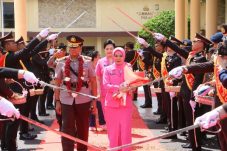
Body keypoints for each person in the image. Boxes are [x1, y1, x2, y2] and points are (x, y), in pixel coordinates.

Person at [154, 32, 212, 151]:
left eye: (195, 41)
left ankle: (196, 144)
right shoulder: (192, 55)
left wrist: (193, 97)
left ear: (202, 44)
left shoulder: (200, 58)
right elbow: (179, 50)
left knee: (193, 120)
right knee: (189, 119)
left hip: (192, 94)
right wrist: (165, 40)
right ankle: (192, 142)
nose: (193, 42)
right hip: (186, 92)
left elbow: (197, 79)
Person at [55, 35, 97, 151]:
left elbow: (93, 82)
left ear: (80, 48)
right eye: (71, 47)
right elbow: (57, 83)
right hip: (66, 99)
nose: (73, 50)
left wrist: (94, 100)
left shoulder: (87, 62)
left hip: (84, 98)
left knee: (83, 127)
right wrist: (57, 101)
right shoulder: (61, 62)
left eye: (75, 47)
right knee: (66, 127)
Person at [103, 47, 133, 151]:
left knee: (126, 131)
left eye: (120, 55)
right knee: (113, 131)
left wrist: (128, 87)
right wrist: (119, 88)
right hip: (111, 105)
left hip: (125, 105)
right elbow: (106, 85)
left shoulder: (128, 67)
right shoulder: (107, 69)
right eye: (116, 55)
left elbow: (132, 82)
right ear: (113, 56)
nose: (118, 58)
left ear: (124, 56)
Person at [95, 39, 116, 130]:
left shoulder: (119, 60)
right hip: (104, 92)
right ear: (104, 50)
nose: (109, 51)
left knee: (116, 110)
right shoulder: (100, 62)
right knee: (105, 110)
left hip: (116, 91)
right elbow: (98, 78)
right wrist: (99, 92)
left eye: (111, 48)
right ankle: (108, 125)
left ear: (114, 49)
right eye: (107, 49)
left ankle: (115, 125)